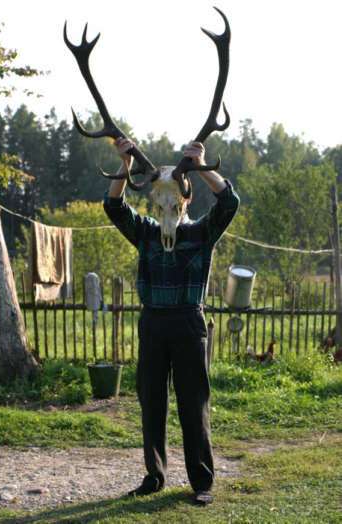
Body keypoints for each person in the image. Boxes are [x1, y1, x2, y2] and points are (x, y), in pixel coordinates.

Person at [104, 137, 240, 505]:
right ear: (153, 201)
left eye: (174, 196)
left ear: (186, 199)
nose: (165, 204)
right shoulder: (146, 232)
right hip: (153, 323)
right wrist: (124, 165)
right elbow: (114, 206)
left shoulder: (201, 233)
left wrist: (203, 165)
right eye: (158, 198)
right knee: (151, 400)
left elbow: (229, 202)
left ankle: (202, 482)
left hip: (188, 322)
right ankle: (154, 476)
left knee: (193, 402)